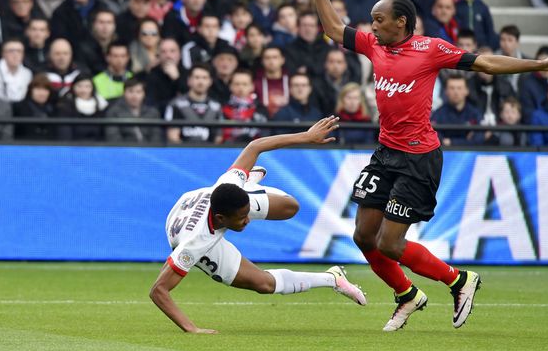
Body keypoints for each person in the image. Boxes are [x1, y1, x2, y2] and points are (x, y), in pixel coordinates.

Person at [305, 0, 548, 331]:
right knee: (363, 235)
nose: (373, 26)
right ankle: (407, 295)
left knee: (389, 244)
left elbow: (484, 61)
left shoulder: (430, 49)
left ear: (401, 22)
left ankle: (458, 280)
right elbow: (334, 28)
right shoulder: (374, 46)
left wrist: (540, 63)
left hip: (419, 158)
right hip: (385, 153)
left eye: (379, 19)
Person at [150, 116, 367, 333]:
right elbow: (158, 290)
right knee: (263, 284)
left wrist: (306, 136)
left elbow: (255, 146)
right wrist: (191, 329)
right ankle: (332, 279)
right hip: (183, 227)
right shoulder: (196, 243)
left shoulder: (229, 185)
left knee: (290, 207)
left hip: (209, 199)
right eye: (242, 218)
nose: (248, 220)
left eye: (247, 213)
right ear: (221, 220)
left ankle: (247, 184)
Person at [164, 64, 222, 144]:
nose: (200, 82)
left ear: (210, 81)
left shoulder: (216, 106)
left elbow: (218, 137)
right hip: (183, 153)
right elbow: (173, 136)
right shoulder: (176, 104)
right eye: (197, 77)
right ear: (189, 80)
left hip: (209, 153)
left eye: (204, 78)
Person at [430, 74, 484, 146]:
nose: (456, 92)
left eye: (459, 88)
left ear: (467, 91)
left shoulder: (475, 113)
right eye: (452, 88)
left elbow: (479, 139)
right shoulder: (438, 114)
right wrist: (467, 140)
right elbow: (436, 139)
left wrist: (450, 142)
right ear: (446, 91)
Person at [104, 77, 163, 143]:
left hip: (149, 151)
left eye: (138, 92)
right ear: (124, 93)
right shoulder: (114, 112)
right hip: (124, 151)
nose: (134, 96)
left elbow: (156, 138)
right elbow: (113, 138)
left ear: (144, 94)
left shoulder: (153, 112)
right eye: (130, 91)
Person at [56, 74, 107, 141]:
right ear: (73, 87)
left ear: (93, 89)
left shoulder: (101, 106)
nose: (83, 90)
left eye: (87, 86)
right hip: (73, 148)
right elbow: (64, 134)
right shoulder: (65, 106)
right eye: (79, 86)